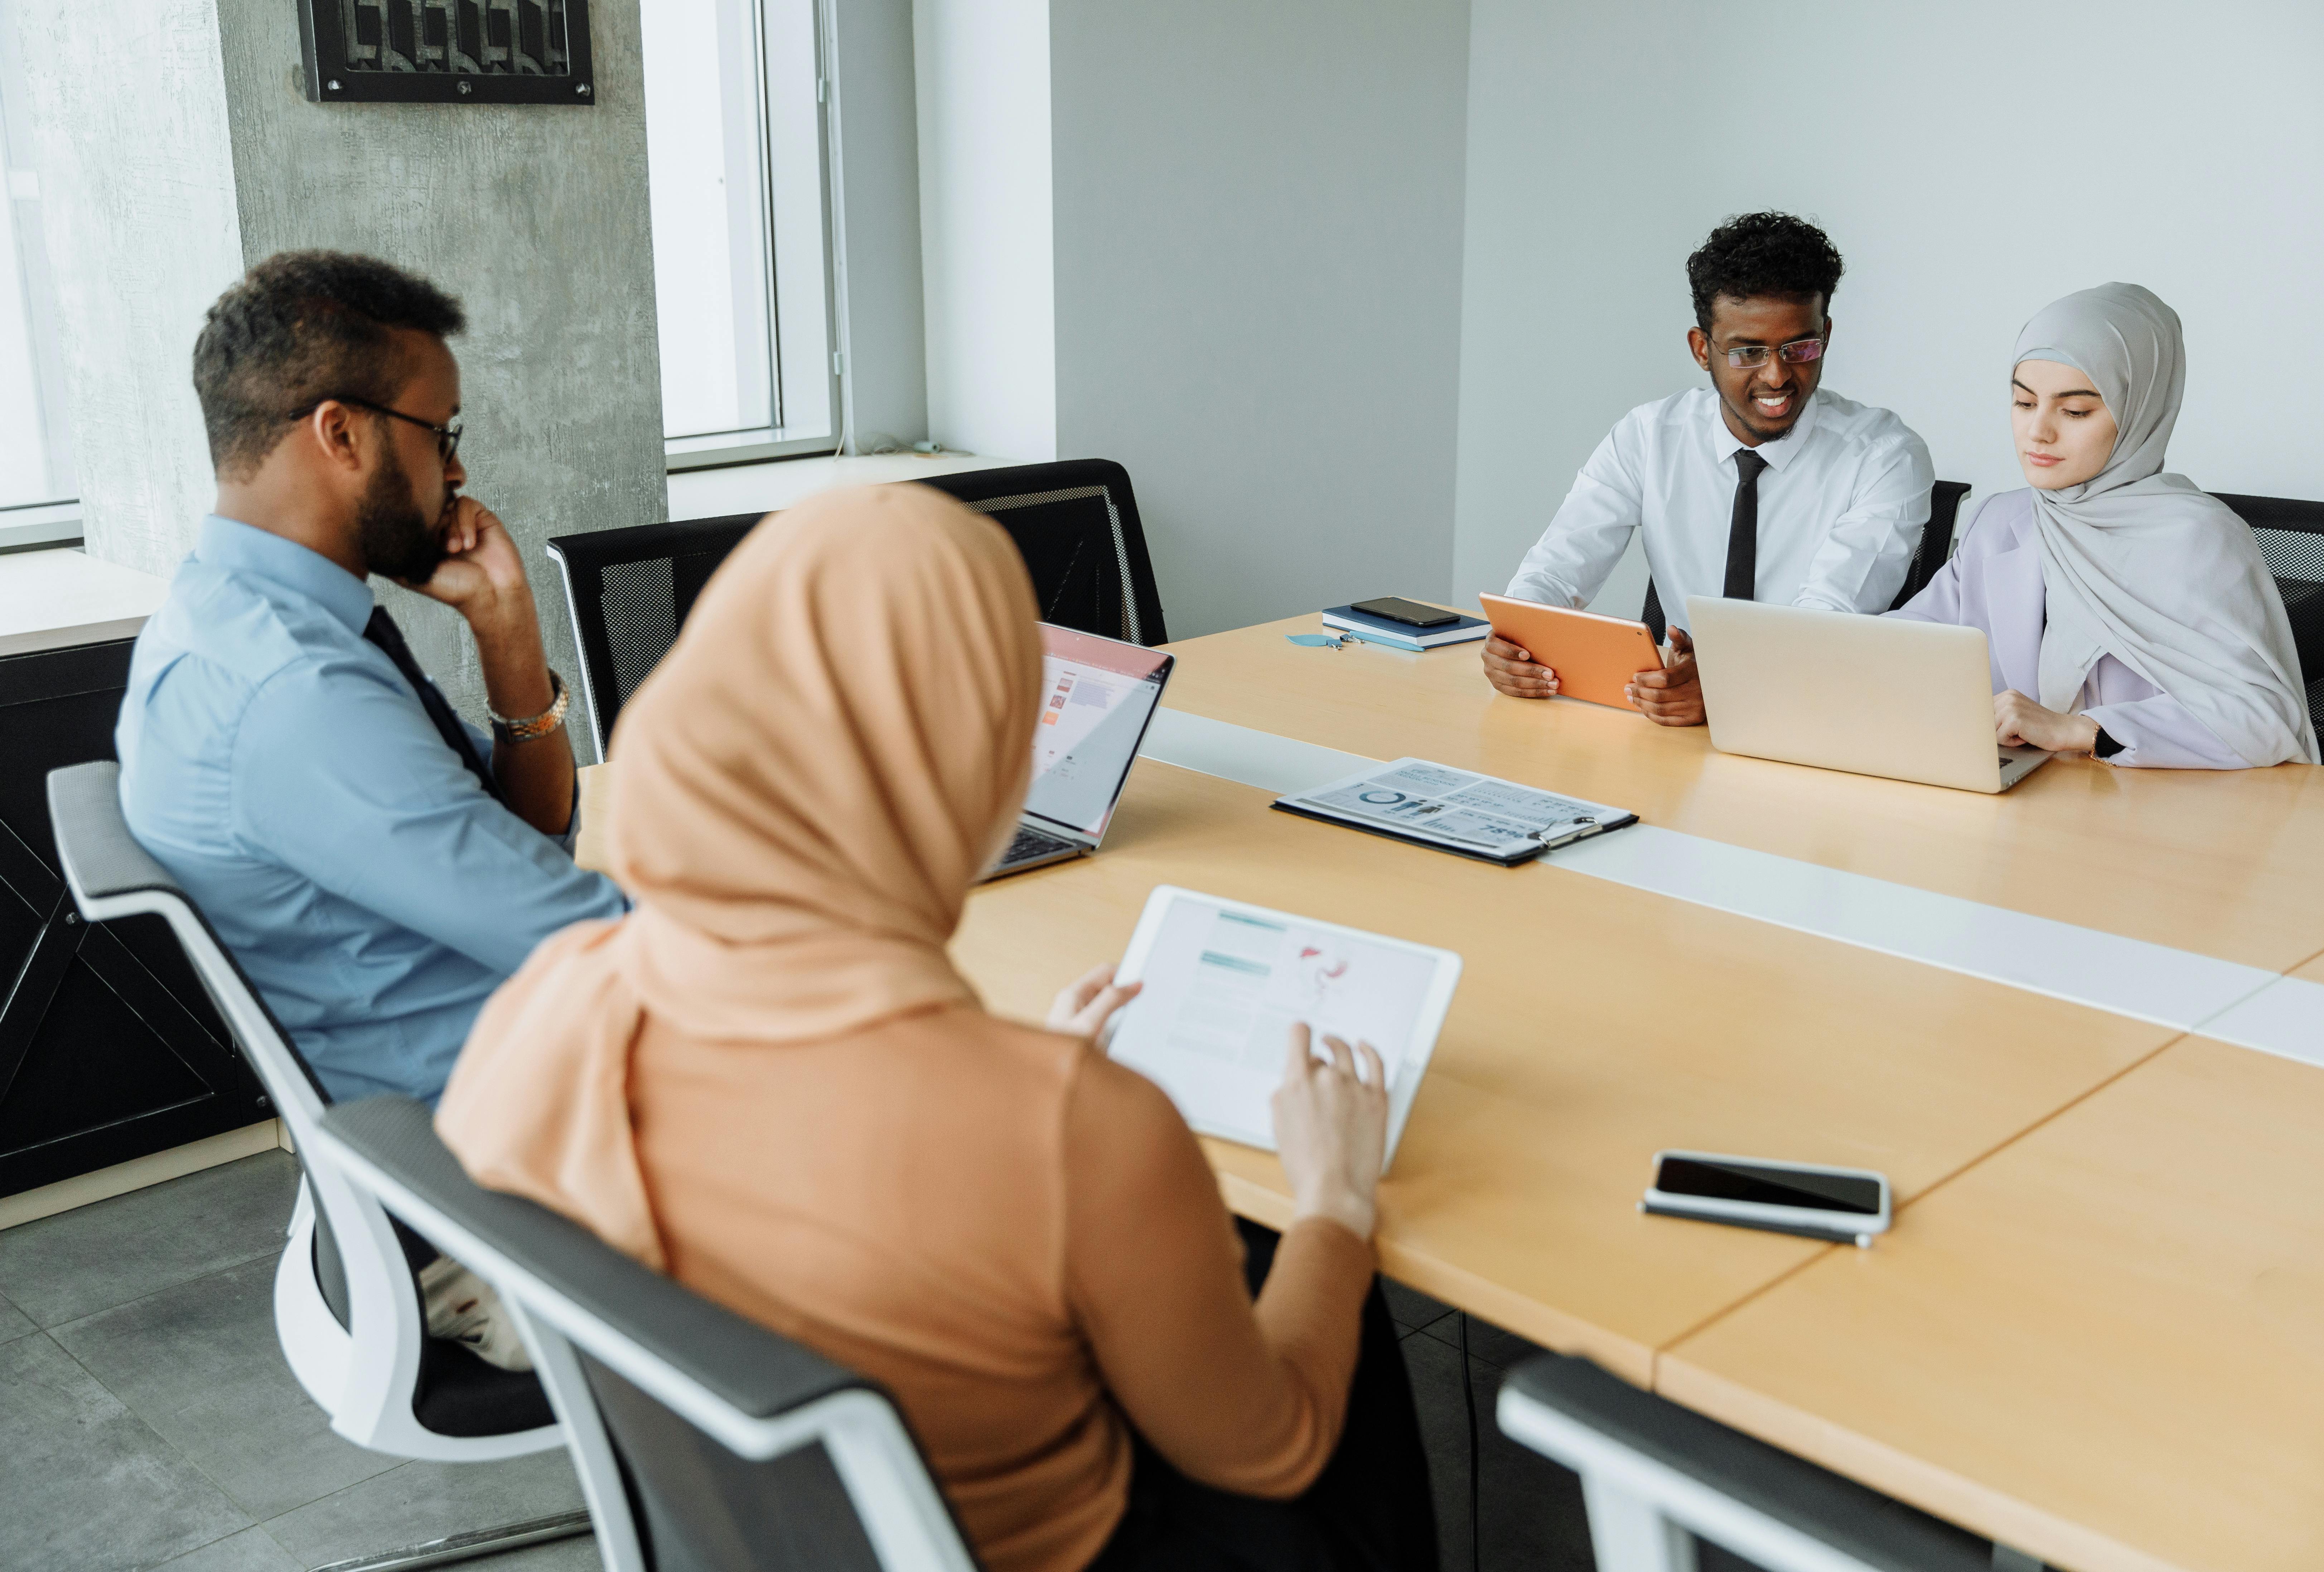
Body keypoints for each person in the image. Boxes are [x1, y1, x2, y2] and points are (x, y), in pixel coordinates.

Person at [435, 484, 1439, 1572]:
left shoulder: (548, 1007)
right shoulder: (1073, 1128)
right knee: (1306, 1264)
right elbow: (1272, 1448)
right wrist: (1336, 1202)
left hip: (740, 1541)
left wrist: (1022, 1081)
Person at [115, 250, 627, 1114]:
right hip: (517, 1137)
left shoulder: (243, 620)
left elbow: (533, 836)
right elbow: (592, 937)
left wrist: (506, 628)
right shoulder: (294, 693)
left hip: (512, 1074)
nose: (457, 471)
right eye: (441, 432)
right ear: (341, 434)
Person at [1486, 212, 1934, 724]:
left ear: (1825, 335)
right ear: (1702, 350)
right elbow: (1555, 568)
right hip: (1675, 722)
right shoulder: (1648, 437)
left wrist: (1728, 686)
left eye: (1801, 348)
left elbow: (1827, 620)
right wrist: (1517, 641)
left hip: (1818, 720)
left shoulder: (1884, 455)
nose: (1777, 376)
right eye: (1748, 351)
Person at [1889, 284, 2316, 769]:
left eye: (2074, 411)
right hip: (2023, 800)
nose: (2038, 432)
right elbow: (1908, 644)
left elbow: (2264, 717)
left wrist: (2081, 731)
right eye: (2024, 403)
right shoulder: (2003, 520)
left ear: (2139, 412)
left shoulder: (2200, 538)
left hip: (2157, 812)